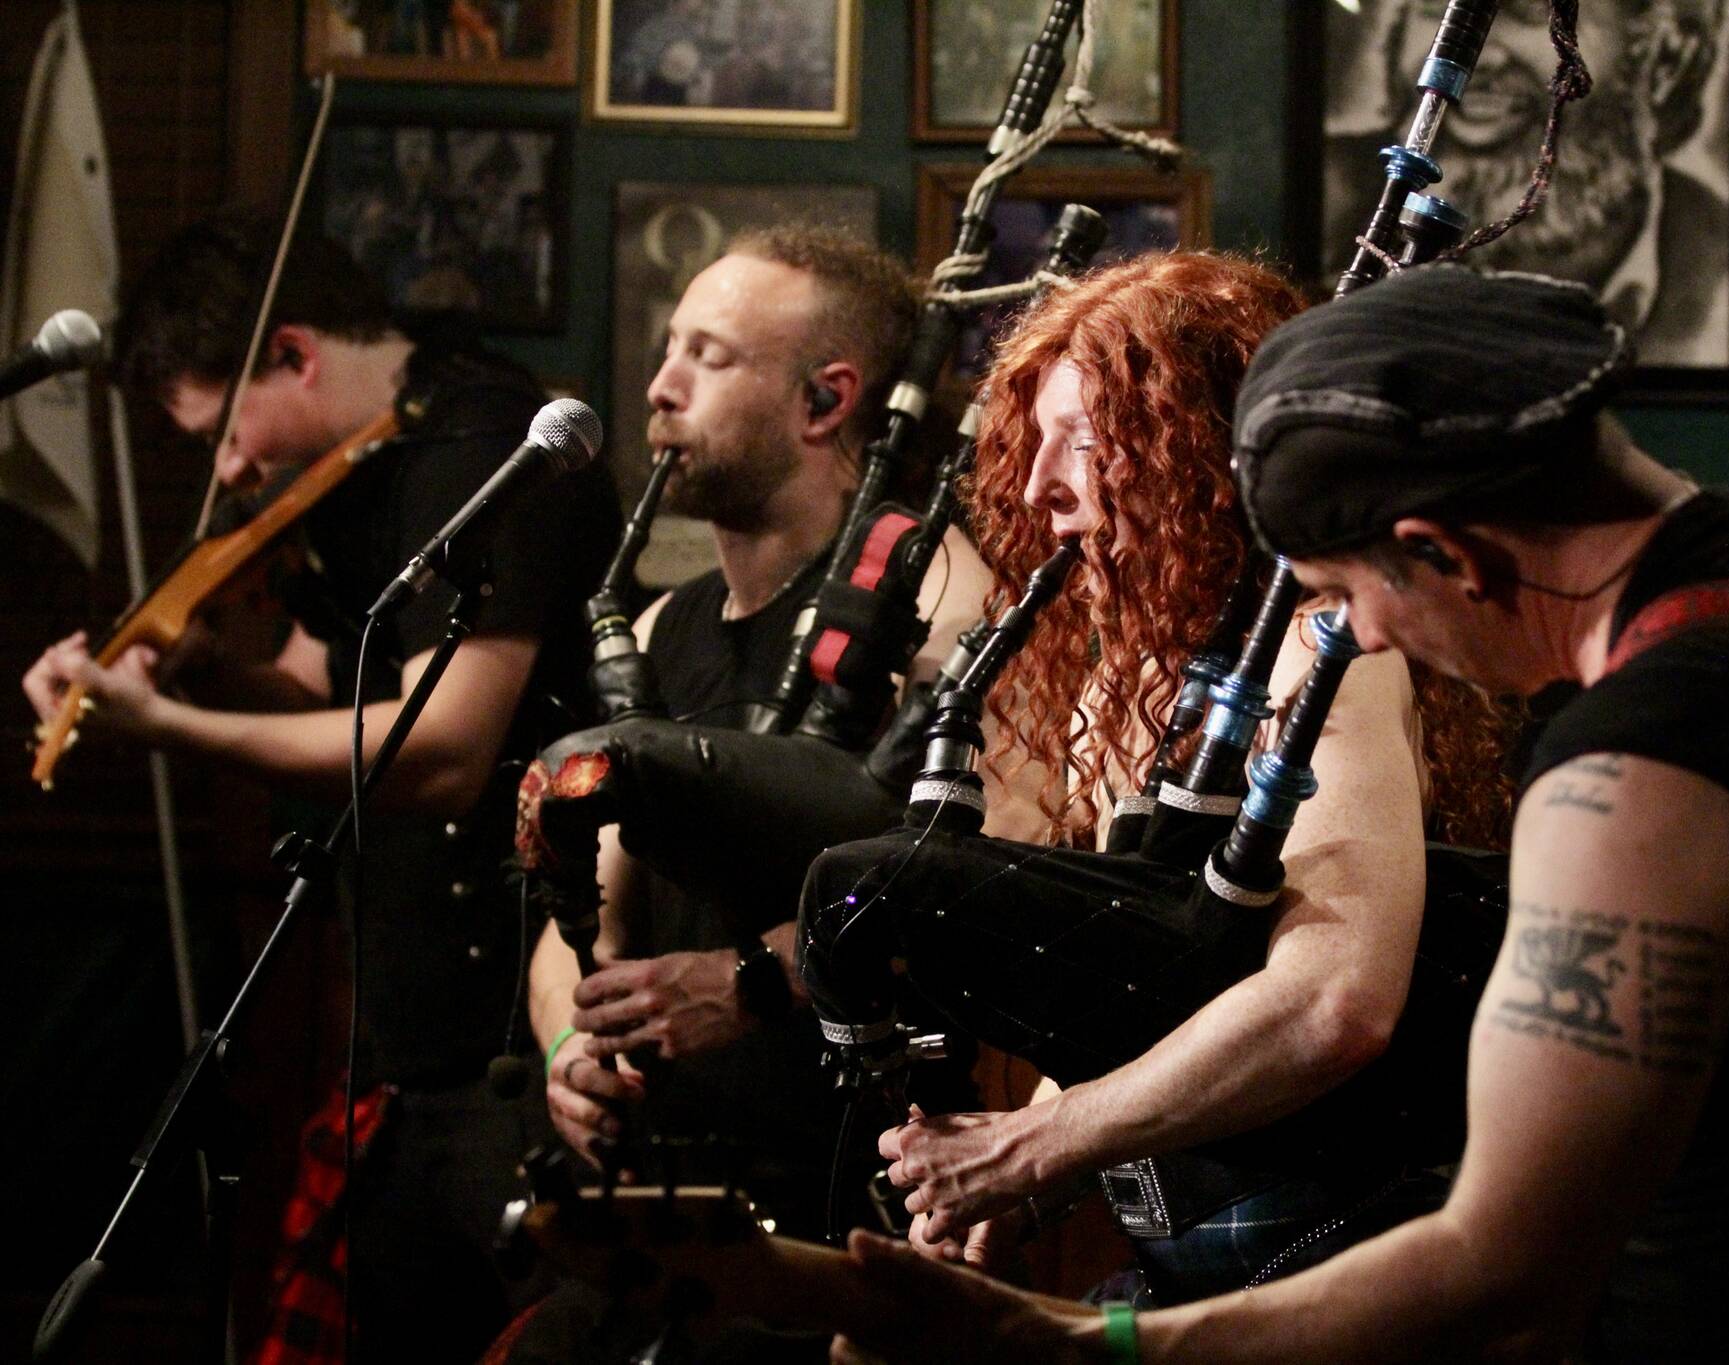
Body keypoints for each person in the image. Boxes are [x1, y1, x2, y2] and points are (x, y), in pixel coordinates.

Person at [819, 264, 1729, 1362]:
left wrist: (1095, 1344)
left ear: (1449, 554)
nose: (1354, 631)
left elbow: (1499, 1270)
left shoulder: (1629, 774)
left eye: (1349, 592)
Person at [799, 251, 1522, 1306]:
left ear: (1200, 462)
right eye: (1033, 445)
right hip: (1194, 1268)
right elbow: (1144, 1001)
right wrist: (1028, 1165)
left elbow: (1333, 1001)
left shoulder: (1320, 656)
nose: (1041, 489)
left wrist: (1036, 1145)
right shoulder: (1119, 692)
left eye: (1084, 446)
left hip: (1344, 1267)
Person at [20, 211, 620, 1360]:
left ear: (293, 354)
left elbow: (441, 747)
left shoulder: (484, 447)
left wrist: (173, 726)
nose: (231, 473)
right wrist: (211, 674)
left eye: (223, 435)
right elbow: (318, 693)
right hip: (404, 1025)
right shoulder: (356, 477)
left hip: (511, 1013)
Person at [523, 226, 998, 1236]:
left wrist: (753, 978)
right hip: (672, 1188)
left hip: (855, 1194)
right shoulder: (659, 627)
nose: (659, 386)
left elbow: (984, 872)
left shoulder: (937, 595)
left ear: (824, 400)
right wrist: (570, 1042)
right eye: (669, 348)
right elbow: (593, 916)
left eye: (711, 356)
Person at [1325, 0, 1729, 366]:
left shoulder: (1721, 262)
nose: (1484, 61)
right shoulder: (1334, 200)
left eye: (1530, 13)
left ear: (1668, 60)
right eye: (1434, 7)